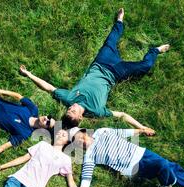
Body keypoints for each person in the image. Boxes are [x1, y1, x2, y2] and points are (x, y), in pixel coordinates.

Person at [19, 8, 170, 132]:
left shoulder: (68, 99)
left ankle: (119, 21)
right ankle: (155, 50)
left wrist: (29, 74)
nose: (71, 107)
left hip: (101, 62)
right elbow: (122, 115)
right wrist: (141, 127)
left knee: (111, 40)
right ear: (80, 118)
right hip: (116, 73)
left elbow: (49, 88)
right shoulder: (97, 111)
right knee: (145, 66)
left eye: (69, 109)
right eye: (73, 111)